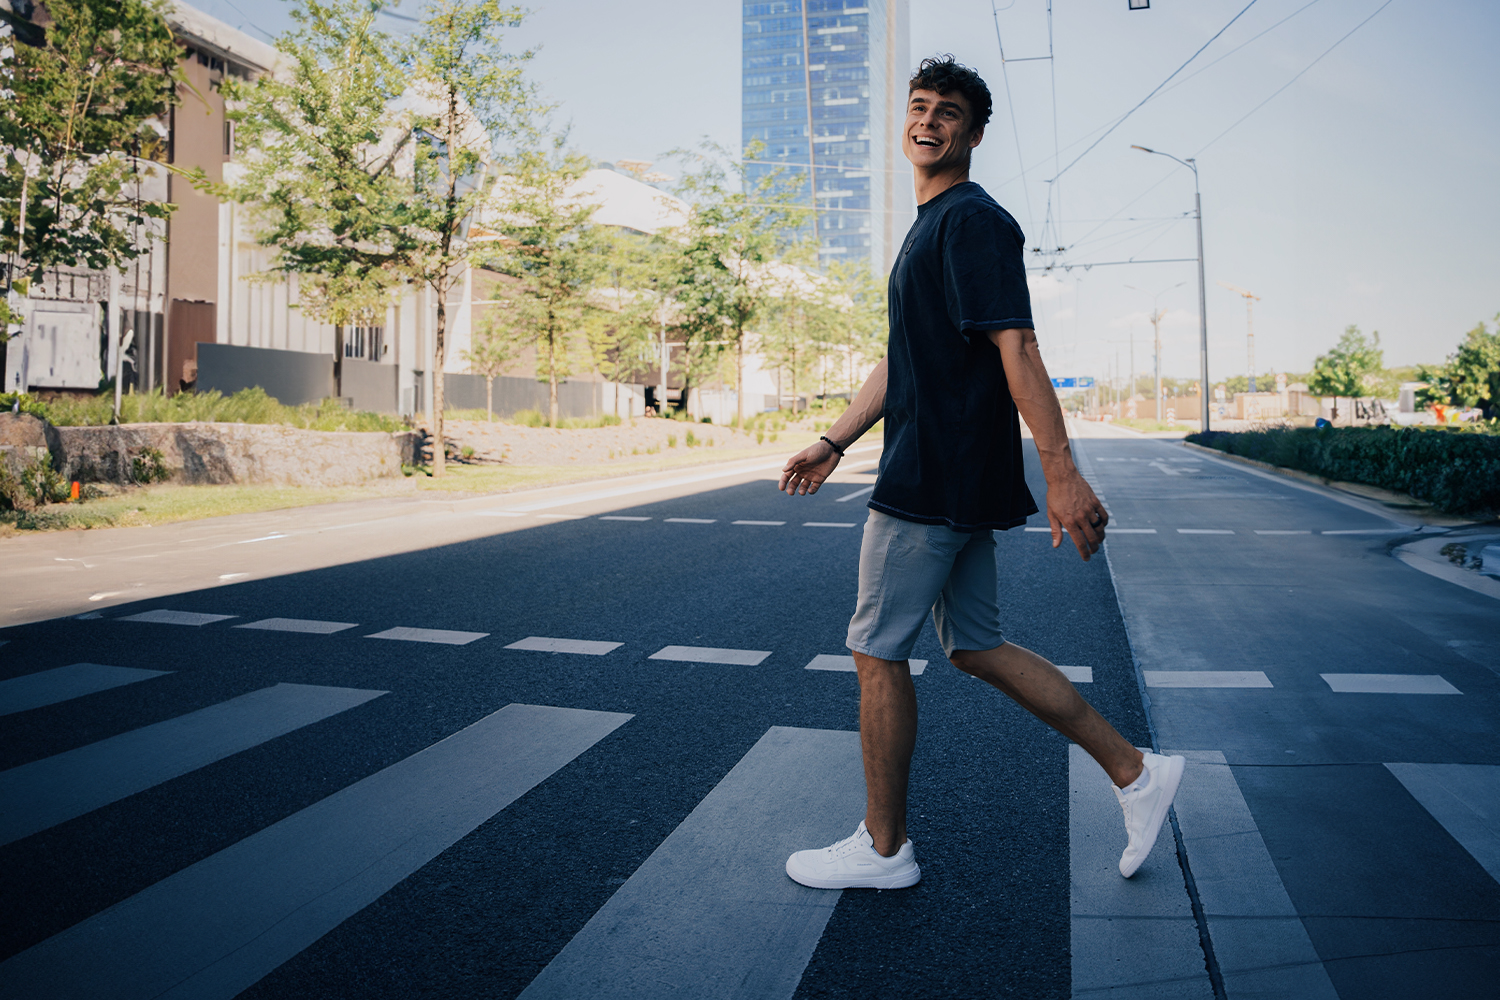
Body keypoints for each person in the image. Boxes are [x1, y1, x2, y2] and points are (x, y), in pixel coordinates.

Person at [777, 56, 1184, 889]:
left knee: (875, 650)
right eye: (919, 107)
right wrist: (835, 440)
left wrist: (1061, 472)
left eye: (948, 112)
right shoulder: (931, 224)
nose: (927, 121)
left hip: (933, 476)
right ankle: (1137, 773)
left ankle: (883, 850)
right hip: (945, 471)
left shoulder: (972, 222)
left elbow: (1020, 349)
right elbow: (904, 364)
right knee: (975, 645)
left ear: (975, 132)